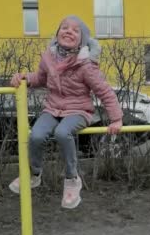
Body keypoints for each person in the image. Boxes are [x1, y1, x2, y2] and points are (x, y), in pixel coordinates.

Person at [9, 16, 123, 209]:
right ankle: (34, 174)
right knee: (36, 135)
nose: (69, 31)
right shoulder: (49, 58)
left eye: (75, 30)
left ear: (82, 41)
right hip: (53, 109)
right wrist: (25, 78)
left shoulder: (85, 65)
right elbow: (41, 78)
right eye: (64, 28)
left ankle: (72, 179)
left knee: (63, 133)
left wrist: (116, 119)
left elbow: (104, 91)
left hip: (79, 111)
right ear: (57, 34)